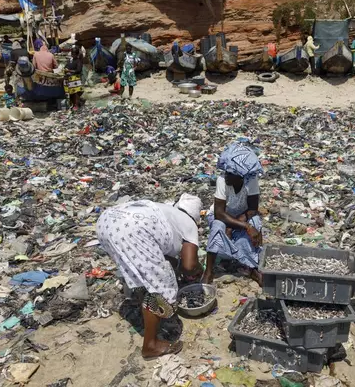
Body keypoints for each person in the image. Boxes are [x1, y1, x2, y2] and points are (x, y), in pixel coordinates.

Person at [96, 194, 203, 359]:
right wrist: (197, 270)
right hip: (131, 230)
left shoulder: (166, 210)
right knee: (162, 289)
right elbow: (189, 267)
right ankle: (151, 346)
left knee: (140, 271)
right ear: (195, 217)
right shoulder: (189, 224)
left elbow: (162, 254)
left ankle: (143, 304)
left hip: (107, 222)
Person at [203, 143, 264, 285]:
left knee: (255, 222)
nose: (227, 176)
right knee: (218, 225)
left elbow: (252, 209)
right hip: (222, 216)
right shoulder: (222, 181)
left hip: (242, 215)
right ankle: (209, 271)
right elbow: (219, 213)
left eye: (231, 173)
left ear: (241, 176)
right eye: (227, 172)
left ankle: (252, 267)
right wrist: (242, 226)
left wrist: (242, 225)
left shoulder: (251, 181)